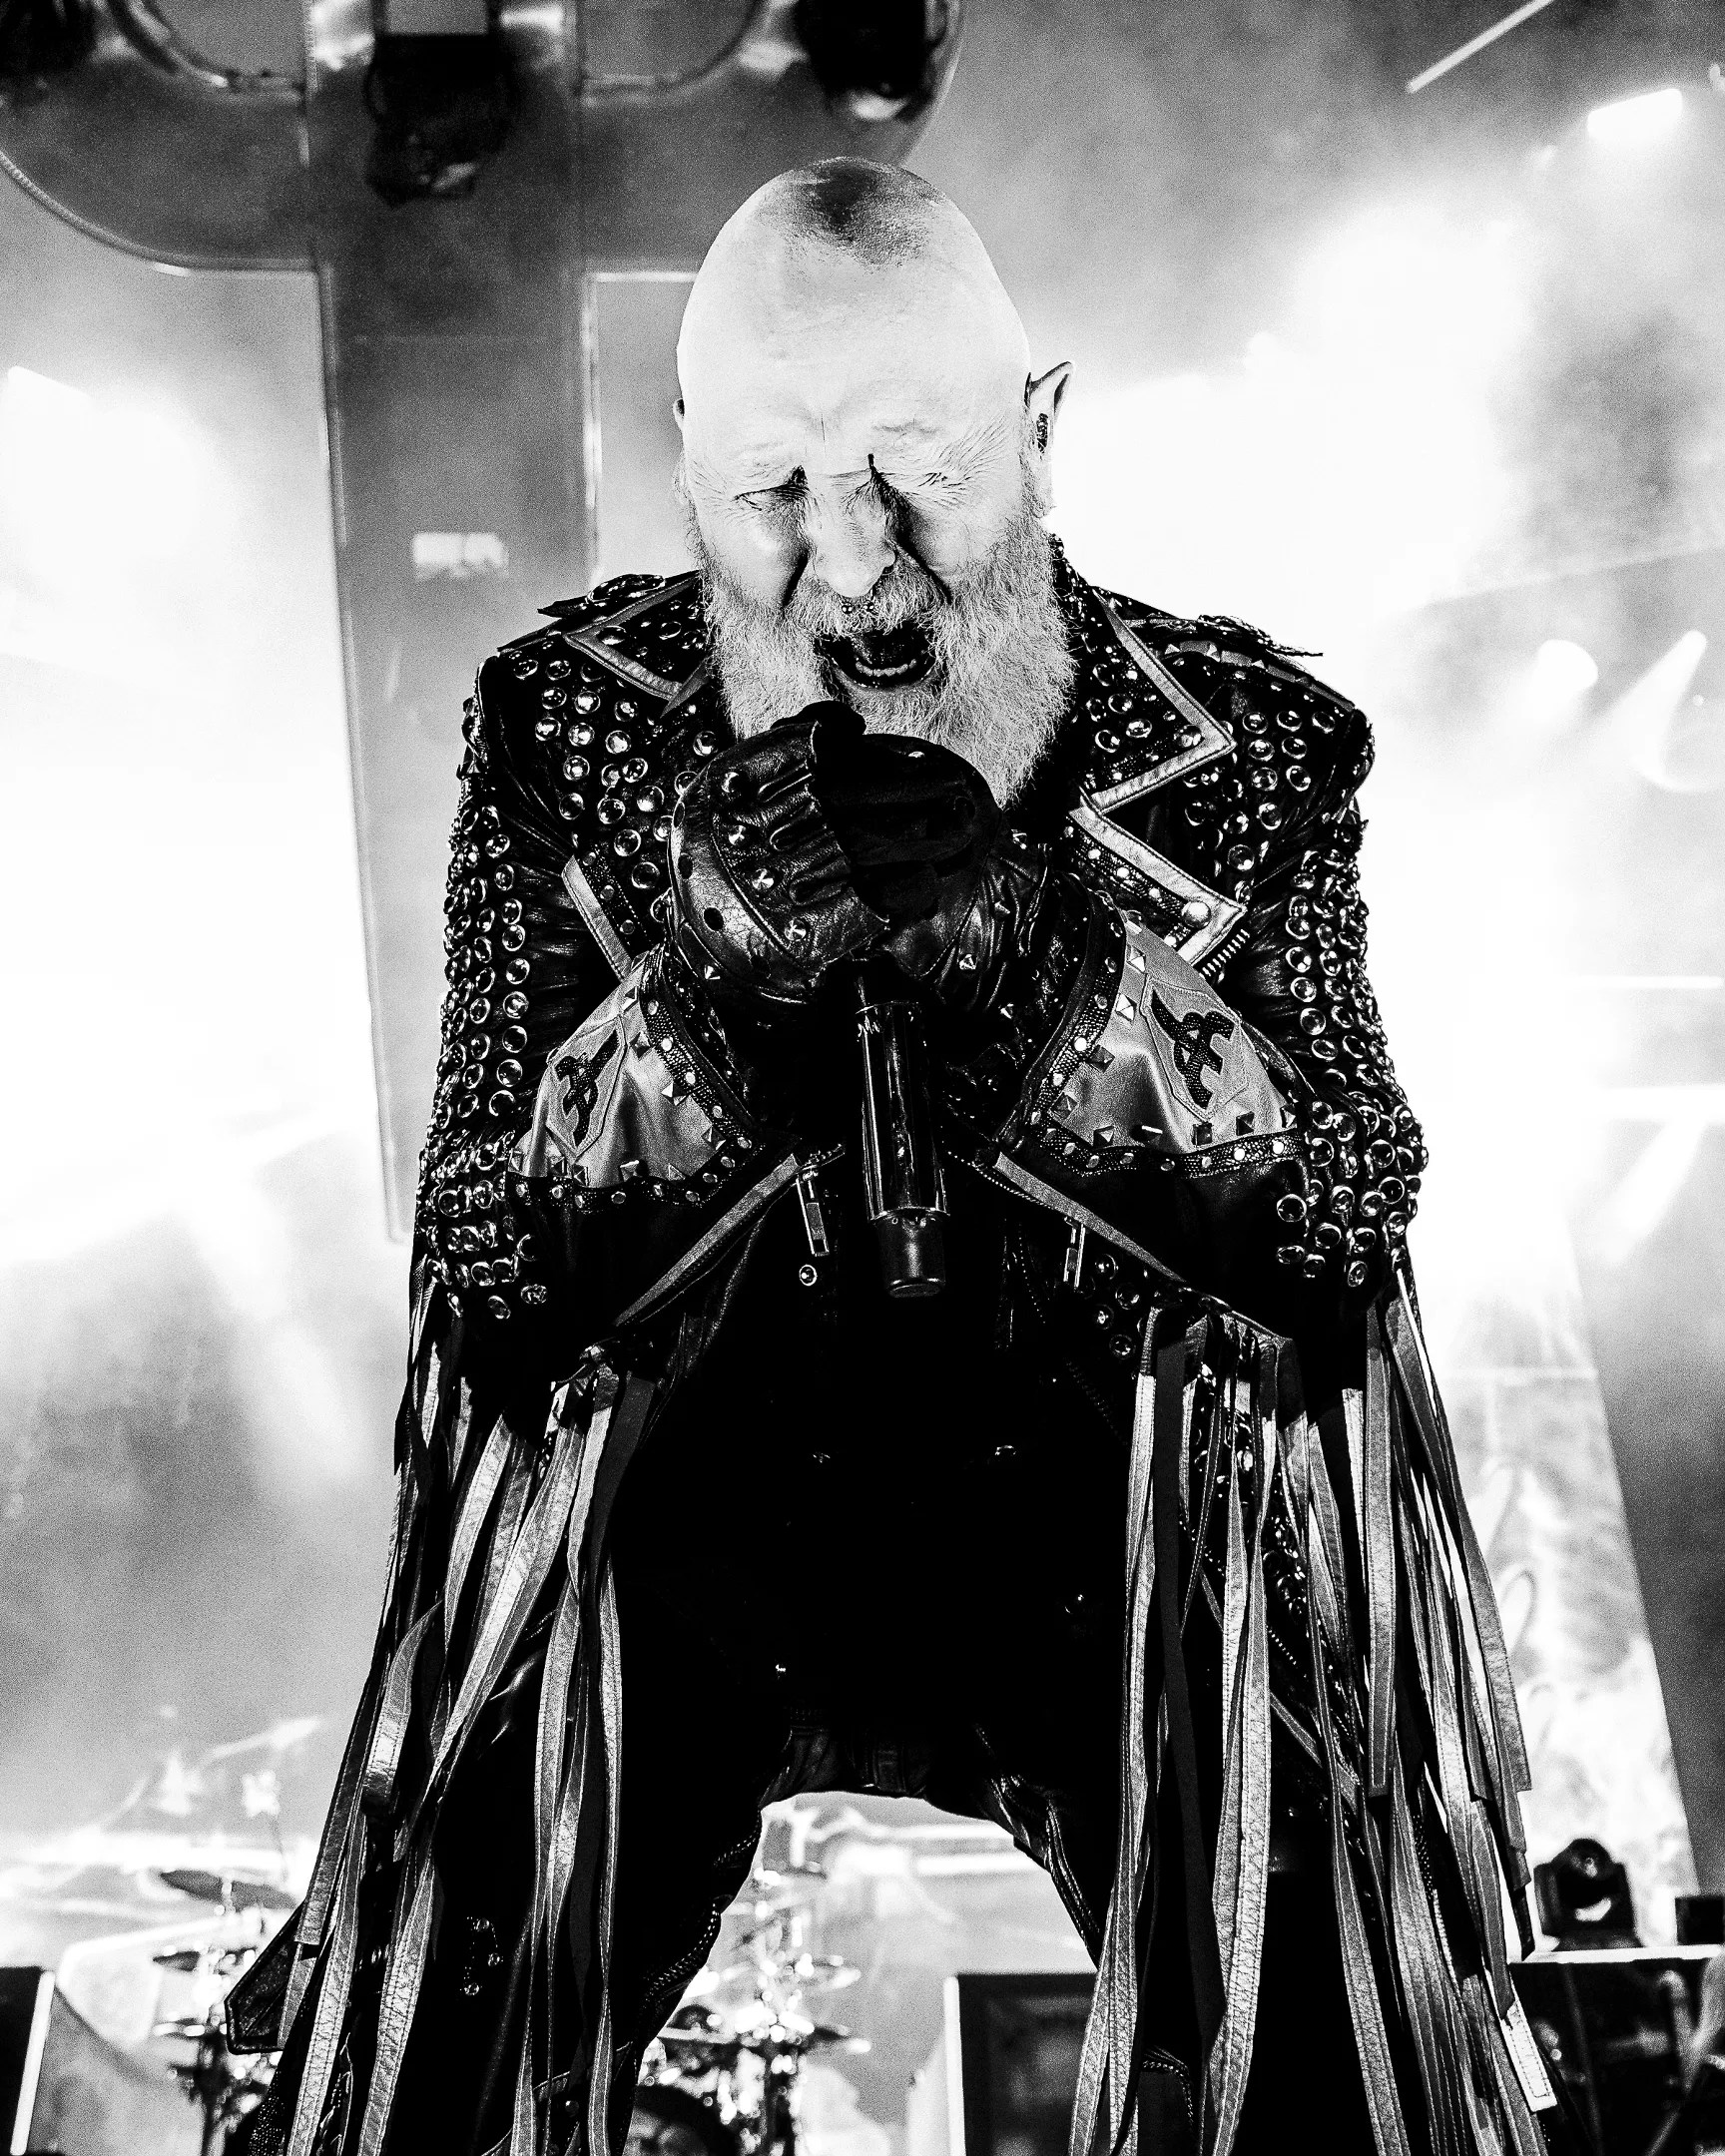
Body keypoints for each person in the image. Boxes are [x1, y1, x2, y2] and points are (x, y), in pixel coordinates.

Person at [233, 159, 1559, 2156]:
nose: (851, 567)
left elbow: (1346, 1212)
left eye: (917, 471)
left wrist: (1043, 974)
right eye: (770, 486)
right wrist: (701, 1004)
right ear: (687, 461)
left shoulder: (1257, 744)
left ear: (1040, 426)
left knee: (1340, 2044)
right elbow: (483, 1261)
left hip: (1111, 1548)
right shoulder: (569, 729)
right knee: (427, 2031)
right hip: (687, 1538)